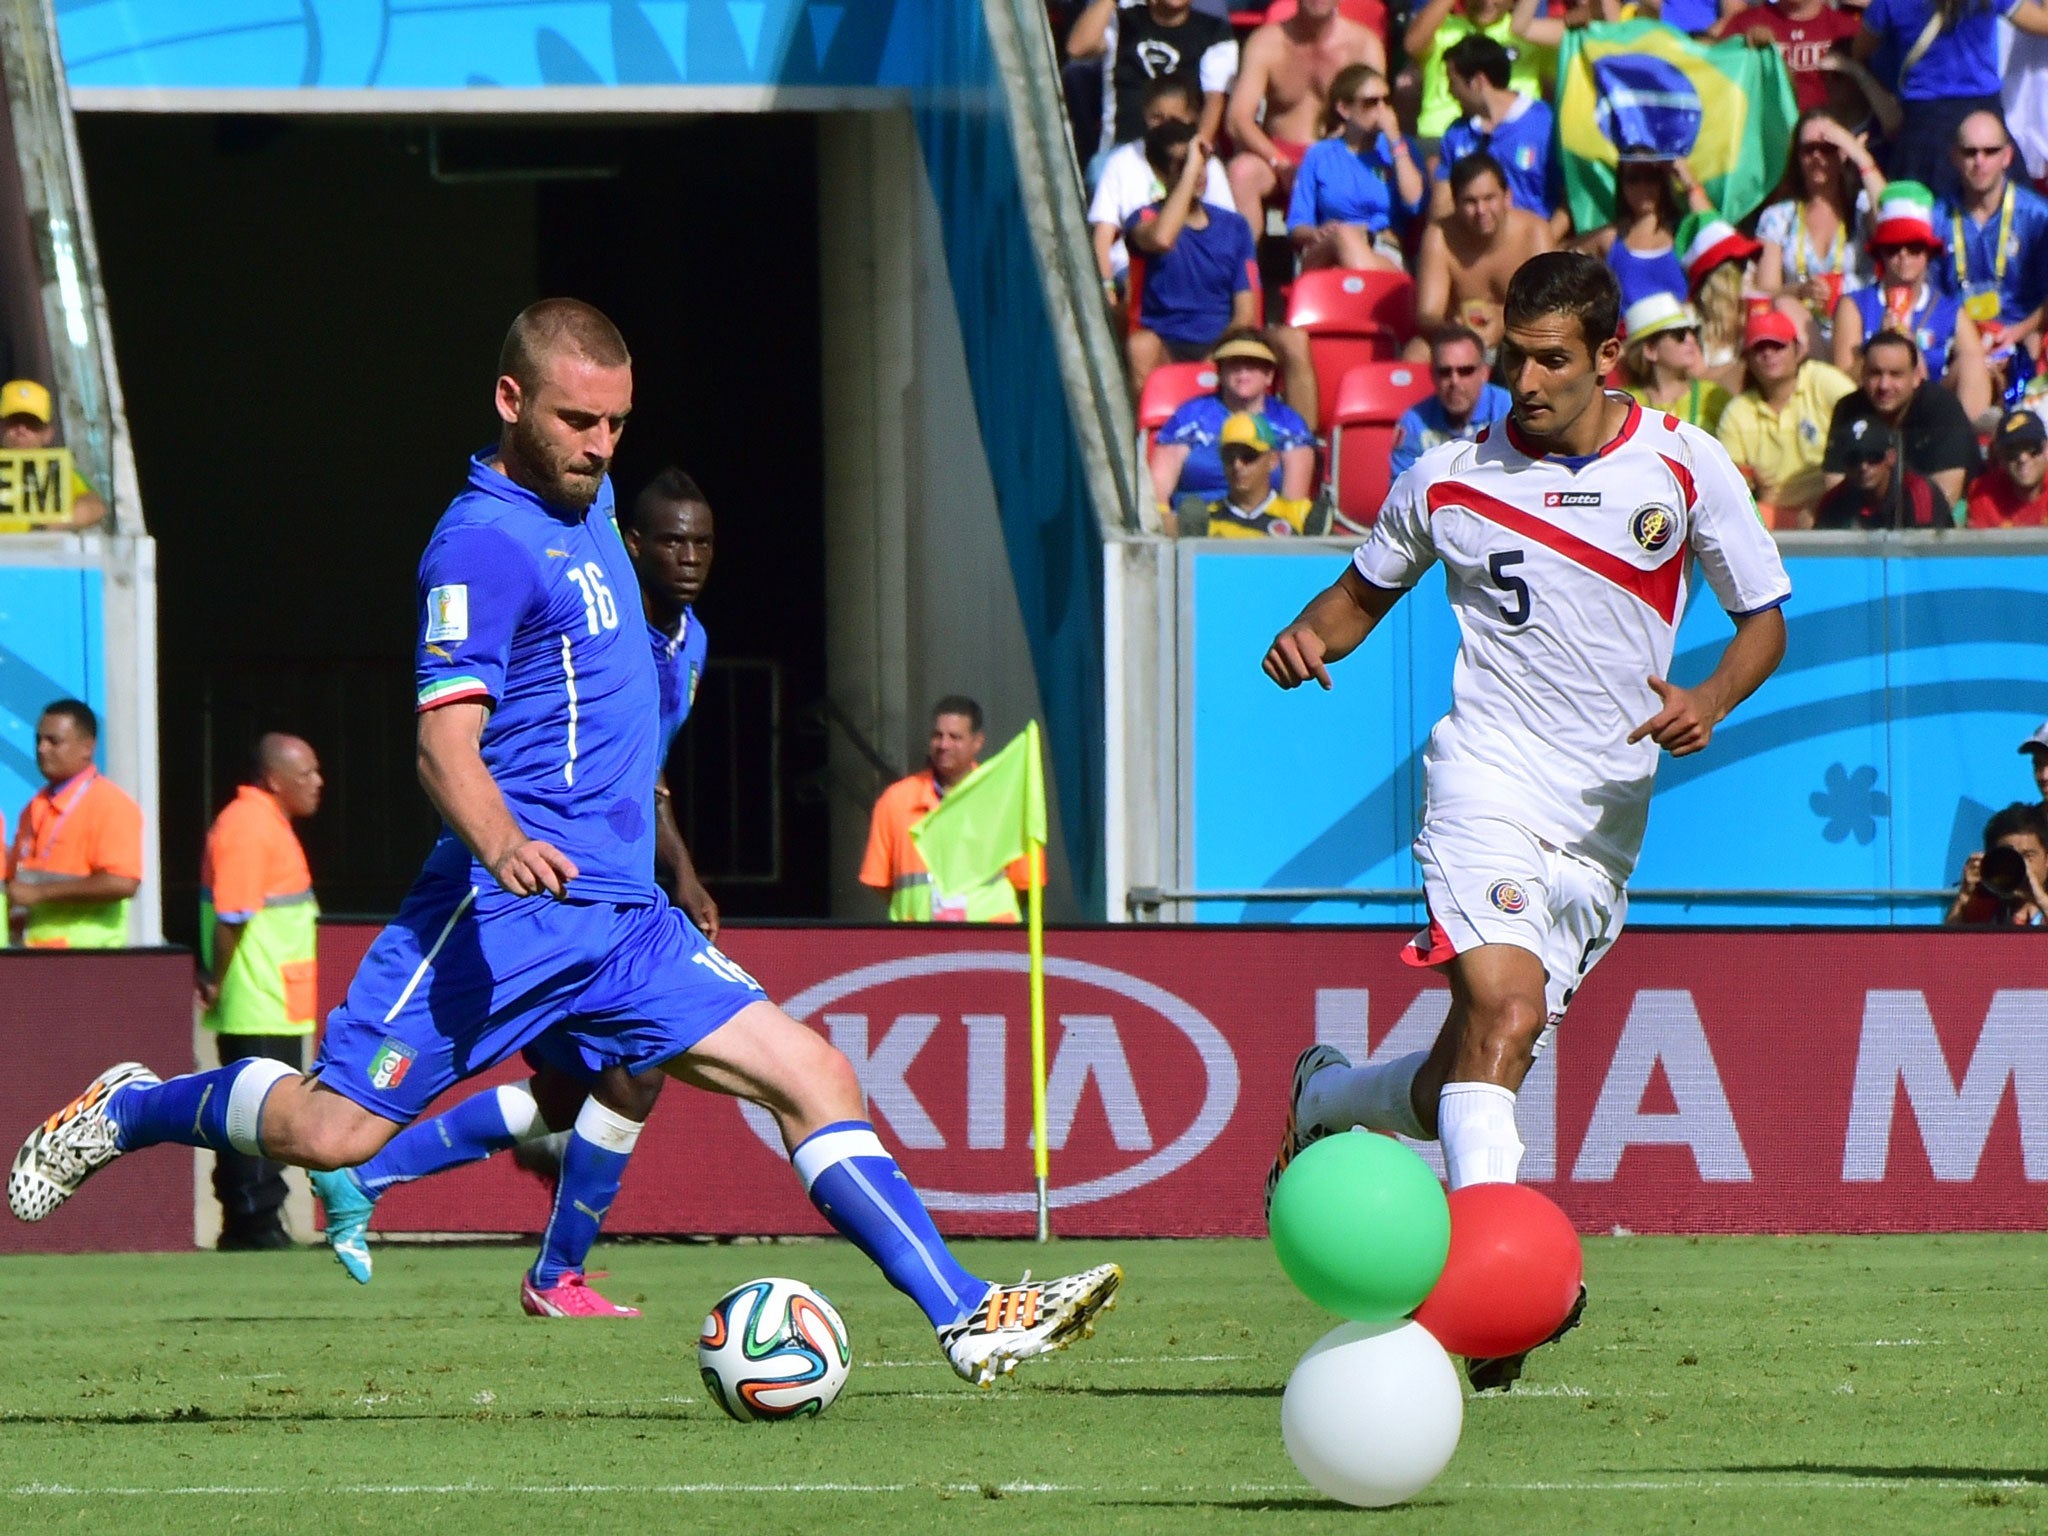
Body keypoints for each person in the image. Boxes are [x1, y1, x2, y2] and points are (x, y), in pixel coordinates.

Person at [9, 301, 1120, 1385]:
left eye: (616, 424)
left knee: (814, 1073)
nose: (599, 448)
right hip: (500, 914)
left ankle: (965, 1314)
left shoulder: (588, 507)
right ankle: (132, 1107)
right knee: (330, 1131)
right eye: (576, 422)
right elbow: (443, 747)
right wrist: (500, 843)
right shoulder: (477, 546)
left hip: (623, 921)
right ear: (510, 400)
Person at [1260, 251, 1790, 1391]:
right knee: (1502, 1003)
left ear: (1608, 356)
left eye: (1550, 360)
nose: (1525, 381)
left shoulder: (1683, 466)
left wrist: (1706, 697)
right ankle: (1484, 1288)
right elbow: (1356, 598)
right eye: (1513, 356)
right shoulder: (1447, 477)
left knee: (1484, 1054)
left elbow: (1761, 623)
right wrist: (1307, 640)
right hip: (1483, 786)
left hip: (1600, 824)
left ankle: (1326, 1096)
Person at [309, 467, 727, 1296]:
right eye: (671, 541)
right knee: (634, 1070)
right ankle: (556, 1272)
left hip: (616, 893)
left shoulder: (694, 644)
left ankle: (374, 1179)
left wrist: (682, 872)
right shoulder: (592, 620)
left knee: (579, 1090)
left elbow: (649, 771)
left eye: (703, 542)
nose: (689, 557)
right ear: (628, 545)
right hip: (539, 888)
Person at [198, 733, 324, 1251]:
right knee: (256, 1117)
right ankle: (254, 1224)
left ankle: (256, 1219)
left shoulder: (265, 823)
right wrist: (216, 978)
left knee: (263, 1114)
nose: (318, 783)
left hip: (274, 1000)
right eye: (307, 774)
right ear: (274, 779)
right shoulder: (249, 826)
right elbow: (233, 915)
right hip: (258, 1002)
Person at [861, 696, 1036, 923]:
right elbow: (881, 882)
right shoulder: (895, 801)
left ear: (978, 742)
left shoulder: (1006, 799)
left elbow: (1026, 882)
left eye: (955, 737)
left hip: (990, 943)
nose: (944, 745)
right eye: (937, 736)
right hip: (917, 942)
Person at [1851, 0, 2048, 199]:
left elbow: (1859, 53)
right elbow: (2044, 24)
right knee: (2007, 217)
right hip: (1983, 120)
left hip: (1922, 131)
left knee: (1920, 221)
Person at [1831, 182, 1992, 420]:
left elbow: (1975, 365)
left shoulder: (1948, 309)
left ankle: (1965, 446)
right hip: (1871, 409)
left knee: (1973, 362)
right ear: (1880, 254)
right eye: (1893, 248)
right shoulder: (1856, 305)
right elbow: (1841, 380)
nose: (1904, 256)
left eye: (1915, 247)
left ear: (1928, 253)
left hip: (1931, 412)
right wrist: (1878, 347)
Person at [1225, 0, 1387, 232]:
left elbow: (1373, 116)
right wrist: (1280, 163)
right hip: (1278, 158)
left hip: (1339, 155)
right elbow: (1237, 119)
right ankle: (1246, 266)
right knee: (1242, 173)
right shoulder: (1266, 42)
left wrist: (1322, 163)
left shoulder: (1363, 45)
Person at [1125, 122, 1259, 392]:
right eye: (1181, 164)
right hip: (1167, 344)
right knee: (1140, 346)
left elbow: (1246, 311)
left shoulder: (1235, 227)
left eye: (1200, 162)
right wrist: (1190, 172)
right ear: (1159, 172)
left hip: (1221, 340)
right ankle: (1151, 433)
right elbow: (1163, 238)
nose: (1196, 171)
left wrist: (1215, 354)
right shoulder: (1143, 219)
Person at [8, 700, 143, 948]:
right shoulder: (34, 806)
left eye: (53, 741)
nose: (41, 748)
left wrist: (40, 894)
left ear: (87, 748)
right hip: (34, 956)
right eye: (38, 739)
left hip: (87, 961)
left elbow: (123, 882)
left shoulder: (110, 804)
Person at [1089, 76, 1235, 297]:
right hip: (1133, 268)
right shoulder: (1121, 161)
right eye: (1157, 117)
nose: (1166, 125)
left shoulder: (1207, 165)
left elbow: (1227, 227)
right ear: (1145, 113)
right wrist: (1105, 286)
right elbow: (1103, 233)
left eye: (1175, 118)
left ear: (1191, 117)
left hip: (1195, 268)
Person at [1754, 112, 1887, 351]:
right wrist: (1800, 290)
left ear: (1842, 152)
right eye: (1808, 149)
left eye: (1827, 148)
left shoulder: (1863, 207)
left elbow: (1893, 221)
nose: (1817, 157)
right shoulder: (1778, 217)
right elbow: (1764, 290)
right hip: (1803, 335)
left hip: (1861, 330)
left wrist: (1859, 156)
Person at [1715, 308, 1859, 527]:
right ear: (1748, 359)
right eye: (1759, 348)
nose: (1768, 354)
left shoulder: (1821, 380)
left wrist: (1822, 503)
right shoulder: (1738, 411)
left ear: (1799, 350)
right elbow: (1729, 479)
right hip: (1769, 512)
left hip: (1829, 504)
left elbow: (1861, 419)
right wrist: (1747, 479)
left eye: (1778, 346)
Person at [1151, 329, 1316, 515]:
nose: (1243, 372)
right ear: (1220, 373)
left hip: (1262, 529)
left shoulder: (1290, 425)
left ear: (1269, 375)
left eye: (1253, 364)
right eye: (1234, 364)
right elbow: (1158, 493)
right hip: (1196, 526)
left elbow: (1294, 503)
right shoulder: (1189, 417)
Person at [1410, 152, 1555, 361]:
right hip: (1458, 343)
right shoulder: (1439, 236)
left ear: (1507, 197)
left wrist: (1505, 325)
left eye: (1489, 198)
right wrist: (1458, 331)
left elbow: (1548, 310)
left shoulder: (1534, 233)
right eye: (1470, 201)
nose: (1481, 210)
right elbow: (1427, 315)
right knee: (1416, 352)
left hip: (1523, 340)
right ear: (1455, 203)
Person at [1286, 64, 1427, 274]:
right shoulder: (1320, 154)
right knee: (1344, 235)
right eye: (1371, 103)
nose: (1381, 110)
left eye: (1386, 101)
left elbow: (1415, 203)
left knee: (1354, 249)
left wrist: (1396, 141)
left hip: (1381, 247)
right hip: (1325, 251)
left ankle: (1363, 290)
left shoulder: (1400, 149)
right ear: (1344, 109)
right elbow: (1297, 225)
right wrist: (1319, 233)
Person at [1067, 0, 1238, 171]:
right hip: (1122, 150)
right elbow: (1078, 49)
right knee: (1099, 170)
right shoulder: (1122, 20)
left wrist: (1197, 154)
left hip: (1182, 152)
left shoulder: (1215, 31)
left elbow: (1214, 100)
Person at [1822, 328, 1981, 506]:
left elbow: (1946, 495)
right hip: (1871, 513)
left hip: (1953, 513)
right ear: (1862, 374)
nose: (1884, 385)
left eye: (1895, 374)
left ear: (1916, 377)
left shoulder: (1941, 407)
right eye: (1875, 373)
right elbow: (1834, 485)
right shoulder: (1848, 409)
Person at [1934, 112, 2048, 356]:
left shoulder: (2038, 217)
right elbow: (1929, 295)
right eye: (1970, 152)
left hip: (2022, 337)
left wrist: (2017, 332)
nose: (1979, 161)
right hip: (1957, 345)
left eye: (1990, 151)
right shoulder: (1937, 217)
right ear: (1954, 156)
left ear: (2007, 156)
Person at [1429, 34, 1559, 224]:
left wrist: (1545, 244)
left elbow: (1570, 200)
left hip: (1536, 242)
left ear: (1478, 81)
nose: (1450, 92)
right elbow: (1441, 207)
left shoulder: (1546, 123)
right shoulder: (1456, 134)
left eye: (1453, 82)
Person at [1579, 157, 1715, 315]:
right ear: (1622, 185)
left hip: (1680, 334)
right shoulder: (1609, 238)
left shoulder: (1683, 232)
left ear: (1662, 182)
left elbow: (1715, 232)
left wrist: (1687, 179)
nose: (1642, 187)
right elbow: (1557, 259)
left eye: (1651, 177)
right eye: (1633, 178)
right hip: (1630, 337)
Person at [1409, 0, 1552, 146]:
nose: (1486, 2)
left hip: (1517, 137)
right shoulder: (1442, 28)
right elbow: (1412, 45)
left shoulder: (1531, 33)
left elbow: (1554, 87)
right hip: (1441, 136)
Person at [1389, 325, 1514, 476]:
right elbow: (1402, 490)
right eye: (1444, 372)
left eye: (1465, 371)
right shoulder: (1414, 422)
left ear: (1484, 373)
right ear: (1432, 375)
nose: (1454, 381)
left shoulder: (1509, 410)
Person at [1179, 411, 1321, 535]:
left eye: (1248, 456)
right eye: (1229, 456)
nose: (1237, 465)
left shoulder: (1302, 516)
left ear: (1272, 460)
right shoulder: (1206, 520)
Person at [1713, 0, 1865, 112]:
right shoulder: (1746, 24)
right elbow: (1716, 76)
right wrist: (1746, 48)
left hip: (1824, 140)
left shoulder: (1849, 29)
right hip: (1766, 130)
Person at [1678, 209, 1766, 393]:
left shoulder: (1756, 312)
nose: (1752, 268)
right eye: (1741, 264)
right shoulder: (1687, 321)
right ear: (1716, 278)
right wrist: (1741, 364)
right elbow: (1694, 381)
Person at [1618, 292, 1734, 432]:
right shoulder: (1624, 403)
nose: (1690, 340)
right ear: (1650, 350)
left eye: (1693, 332)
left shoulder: (1714, 396)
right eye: (1679, 335)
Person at [0, 380, 106, 531]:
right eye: (13, 421)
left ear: (47, 433)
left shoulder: (57, 468)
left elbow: (95, 506)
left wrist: (44, 526)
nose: (21, 429)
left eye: (32, 423)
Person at [1810, 414, 1952, 526]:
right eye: (1854, 459)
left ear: (1891, 457)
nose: (1863, 466)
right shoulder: (1834, 502)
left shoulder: (1919, 493)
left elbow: (1929, 555)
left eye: (1873, 457)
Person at [1944, 801, 2048, 926]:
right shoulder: (1984, 908)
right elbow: (1950, 943)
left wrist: (2041, 900)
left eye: (2027, 856)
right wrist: (1964, 896)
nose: (2018, 865)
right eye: (2008, 857)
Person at [1965, 407, 2048, 525]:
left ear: (2046, 449)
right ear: (2001, 458)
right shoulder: (1983, 494)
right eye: (2012, 451)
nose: (2022, 458)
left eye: (2031, 447)